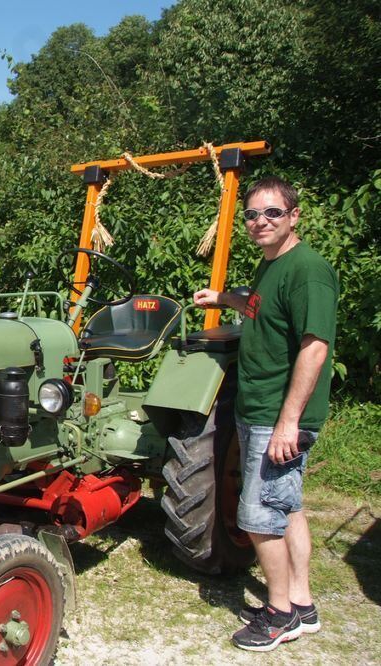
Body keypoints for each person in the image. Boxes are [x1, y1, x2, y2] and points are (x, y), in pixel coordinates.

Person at [193, 176, 338, 651]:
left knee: (256, 515)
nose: (260, 222)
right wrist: (222, 299)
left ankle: (279, 615)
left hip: (277, 416)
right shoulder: (271, 266)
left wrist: (289, 422)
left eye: (272, 213)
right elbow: (258, 308)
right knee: (286, 507)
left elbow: (315, 347)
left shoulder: (307, 270)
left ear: (294, 216)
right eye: (253, 215)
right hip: (260, 410)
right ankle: (302, 602)